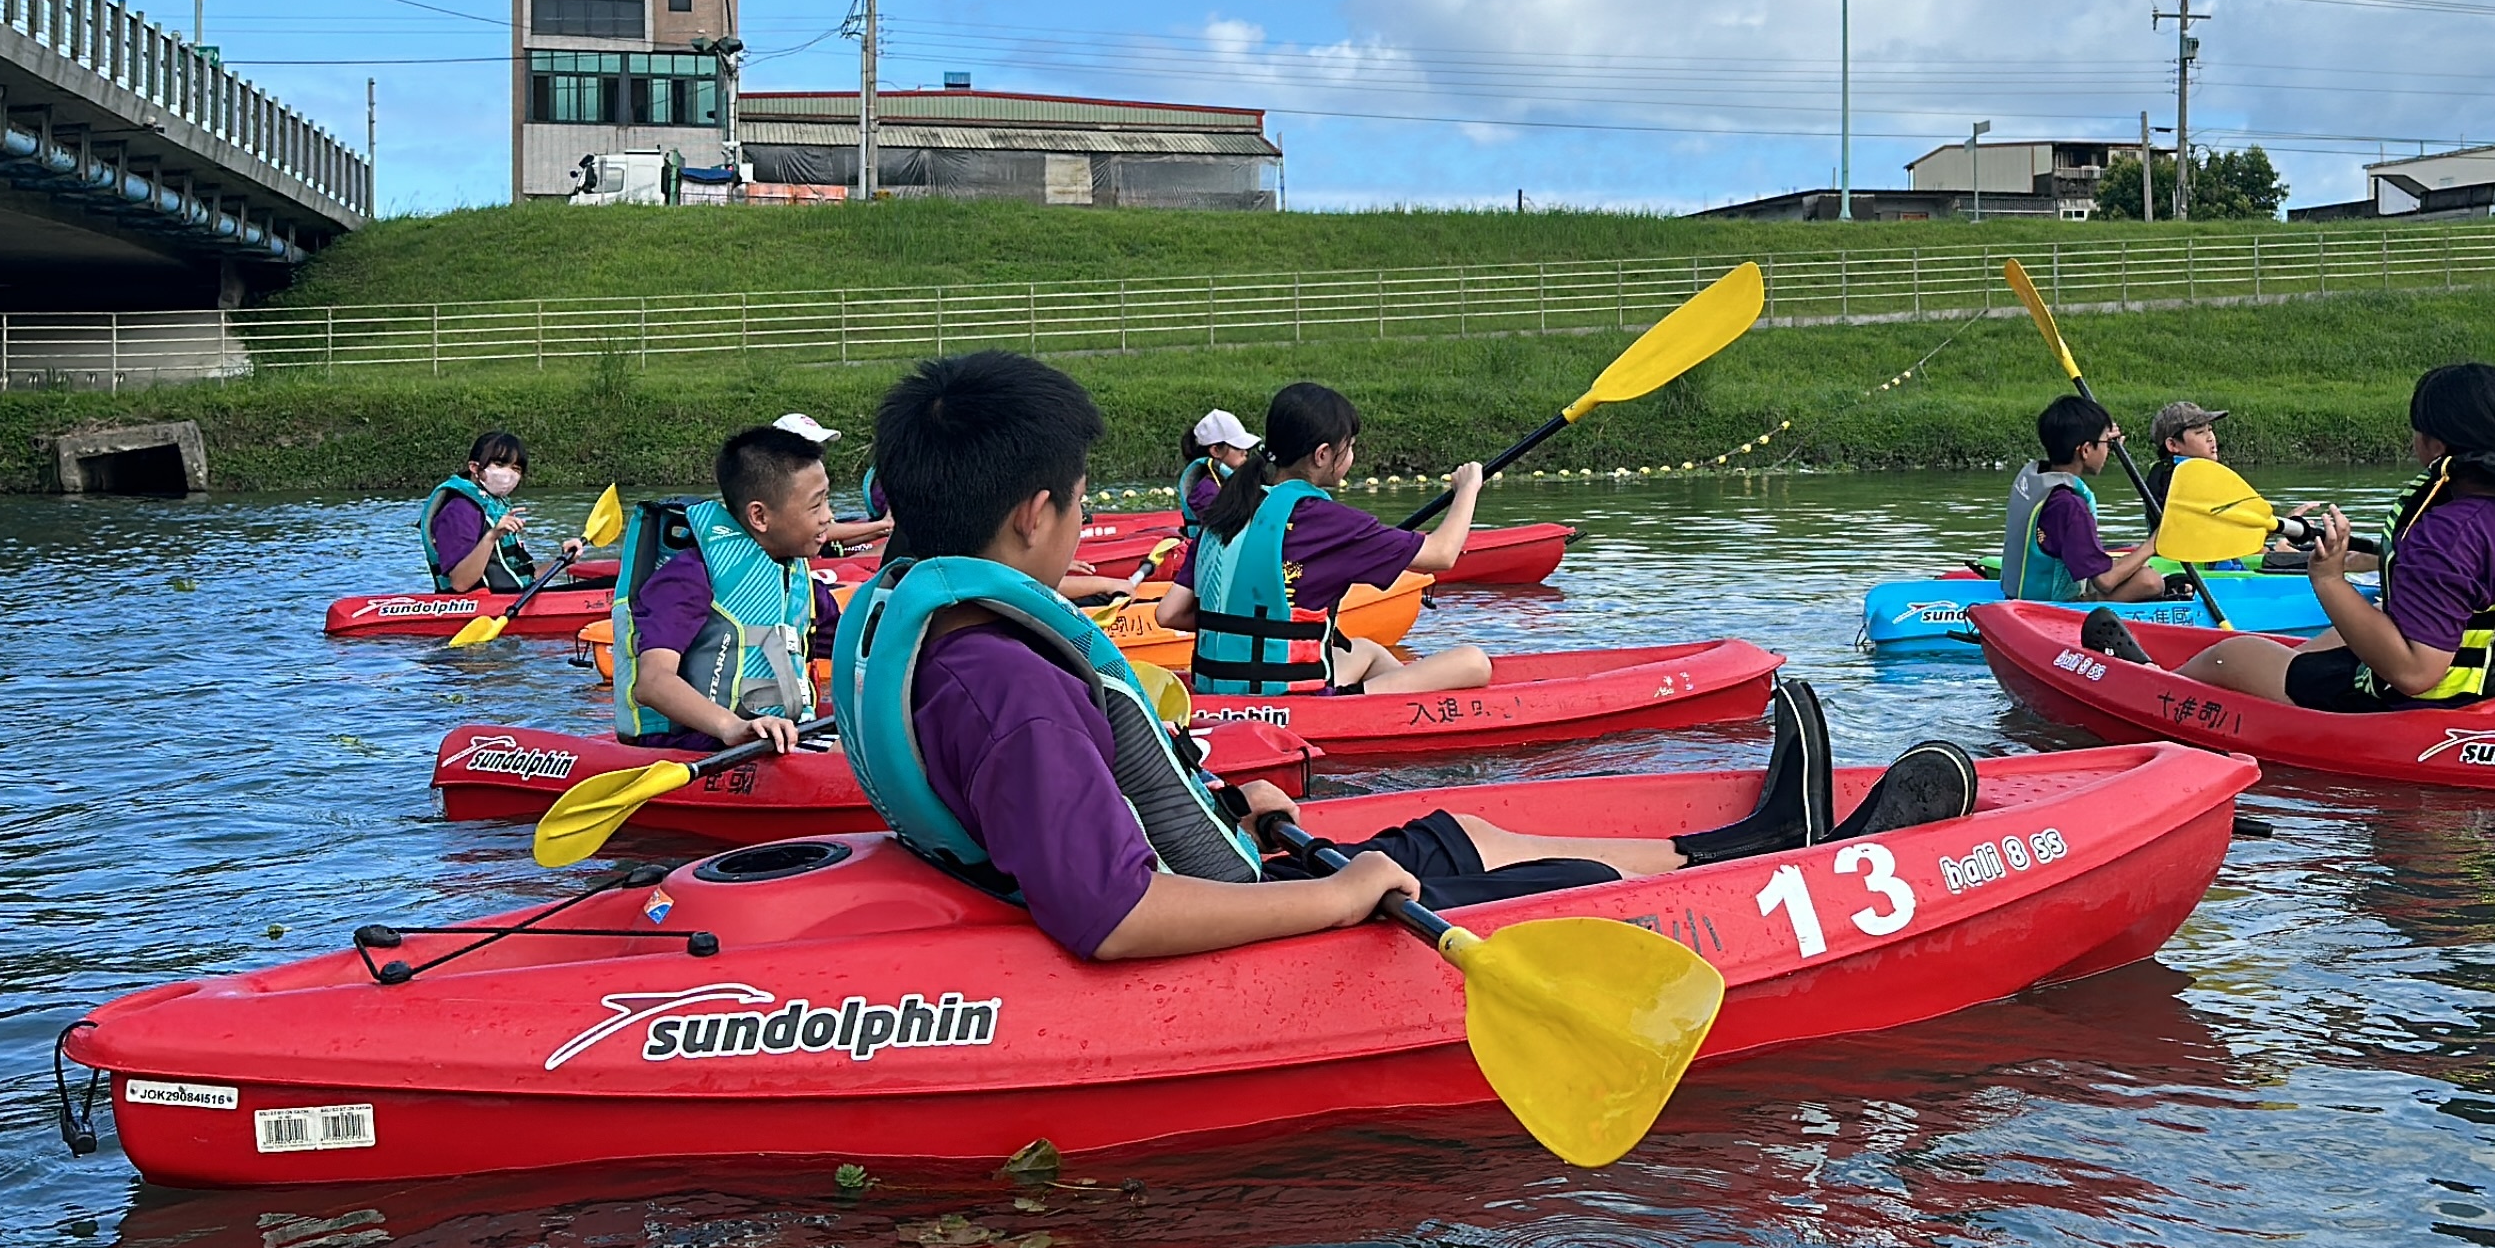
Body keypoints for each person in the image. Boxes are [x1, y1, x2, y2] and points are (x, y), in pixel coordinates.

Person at [841, 349, 1978, 960]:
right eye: (1084, 506)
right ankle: (1774, 875)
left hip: (1239, 841)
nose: (1088, 527)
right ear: (1035, 513)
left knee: (1460, 830)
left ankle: (1750, 837)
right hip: (1233, 911)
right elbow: (1113, 915)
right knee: (1540, 884)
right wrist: (1339, 903)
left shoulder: (920, 626)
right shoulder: (1003, 683)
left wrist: (1232, 801)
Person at [2084, 363, 2495, 712]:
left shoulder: (2450, 528)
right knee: (2328, 641)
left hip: (2432, 708)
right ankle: (2282, 668)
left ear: (2434, 442)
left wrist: (2329, 579)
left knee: (2233, 654)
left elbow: (2417, 672)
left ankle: (2156, 684)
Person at [1167, 383, 1493, 696]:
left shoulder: (1228, 510)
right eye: (1349, 447)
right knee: (1474, 662)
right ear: (1322, 454)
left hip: (1219, 690)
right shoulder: (1333, 523)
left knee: (1366, 651)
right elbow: (1443, 554)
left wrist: (1244, 630)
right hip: (1291, 701)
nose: (1351, 455)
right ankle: (1354, 702)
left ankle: (1394, 711)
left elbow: (1169, 614)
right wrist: (1467, 489)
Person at [613, 423, 844, 752]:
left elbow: (854, 648)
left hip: (778, 735)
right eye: (815, 506)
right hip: (702, 744)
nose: (828, 517)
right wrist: (732, 726)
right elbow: (652, 683)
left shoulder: (800, 580)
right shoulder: (690, 577)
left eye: (827, 501)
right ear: (759, 516)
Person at [2000, 397, 2166, 604]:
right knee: (2150, 581)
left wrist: (2101, 439)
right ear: (2086, 450)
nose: (2108, 449)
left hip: (2020, 591)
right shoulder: (2070, 506)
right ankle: (2089, 602)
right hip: (2048, 605)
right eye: (2106, 442)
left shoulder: (2036, 477)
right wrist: (2154, 543)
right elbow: (2105, 581)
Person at [419, 431, 575, 594]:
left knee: (603, 584)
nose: (508, 474)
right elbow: (460, 583)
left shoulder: (495, 506)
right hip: (479, 608)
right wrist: (492, 536)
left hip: (512, 599)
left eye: (515, 468)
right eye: (500, 465)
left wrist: (563, 560)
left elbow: (524, 579)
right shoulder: (459, 510)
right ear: (474, 467)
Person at [776, 411, 894, 555]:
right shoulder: (782, 488)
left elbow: (831, 538)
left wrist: (882, 531)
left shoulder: (813, 483)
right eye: (811, 449)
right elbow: (818, 530)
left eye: (819, 446)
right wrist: (882, 525)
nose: (819, 455)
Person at [2140, 401, 2229, 511]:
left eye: (2210, 430)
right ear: (2172, 445)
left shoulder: (2200, 473)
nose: (2210, 438)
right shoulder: (2171, 480)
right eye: (2200, 432)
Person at [1177, 409, 1258, 526]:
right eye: (1238, 446)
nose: (1245, 452)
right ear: (1215, 451)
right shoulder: (1205, 492)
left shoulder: (1225, 483)